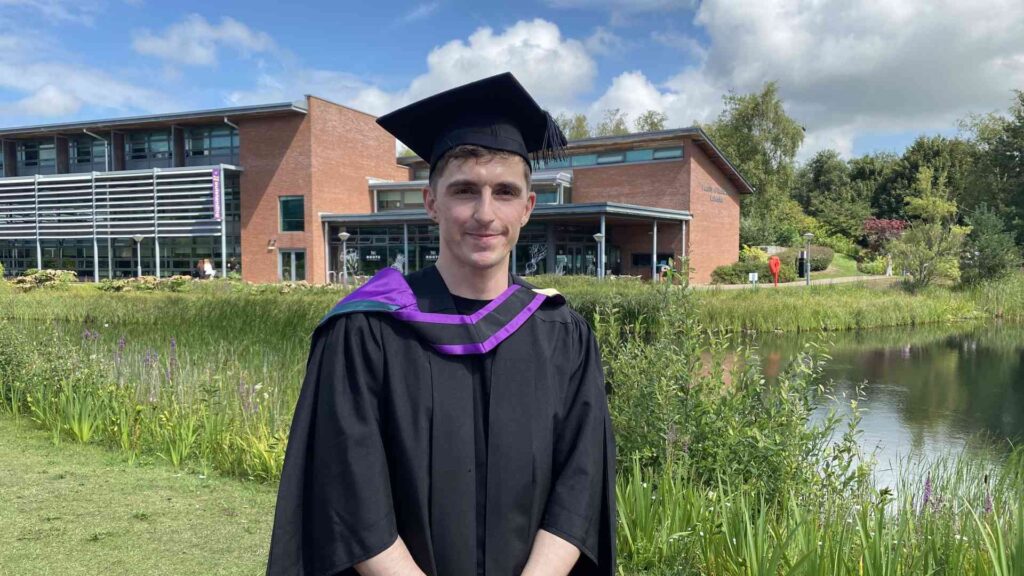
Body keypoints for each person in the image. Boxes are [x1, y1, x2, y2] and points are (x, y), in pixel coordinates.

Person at [266, 73, 616, 576]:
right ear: (431, 202)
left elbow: (581, 484)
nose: (484, 213)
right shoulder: (367, 330)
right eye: (464, 190)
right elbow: (348, 492)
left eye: (504, 192)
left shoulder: (563, 335)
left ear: (528, 206)